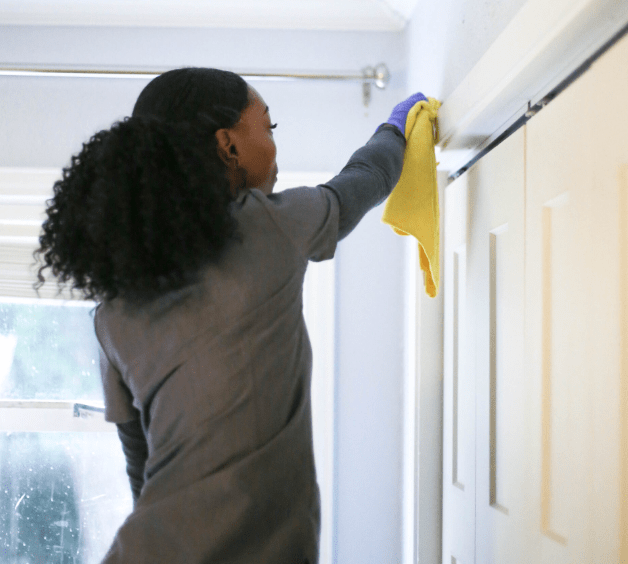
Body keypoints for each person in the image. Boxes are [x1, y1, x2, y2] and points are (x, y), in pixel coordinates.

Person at [34, 67, 426, 564]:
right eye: (269, 127)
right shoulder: (269, 227)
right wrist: (395, 128)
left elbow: (142, 466)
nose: (275, 145)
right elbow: (366, 179)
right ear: (228, 145)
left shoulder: (112, 314)